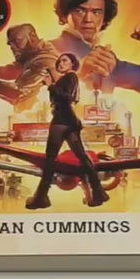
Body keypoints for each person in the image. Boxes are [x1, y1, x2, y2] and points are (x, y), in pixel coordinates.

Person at [50, 0, 140, 95]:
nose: (88, 19)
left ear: (104, 19)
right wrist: (81, 73)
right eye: (79, 11)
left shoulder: (105, 58)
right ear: (64, 15)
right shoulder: (46, 50)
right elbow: (42, 97)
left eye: (96, 12)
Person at [26, 53, 111, 209]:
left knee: (50, 160)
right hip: (68, 121)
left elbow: (67, 98)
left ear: (73, 63)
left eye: (64, 60)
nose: (60, 63)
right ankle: (98, 192)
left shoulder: (71, 77)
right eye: (59, 61)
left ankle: (40, 198)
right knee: (82, 157)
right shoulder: (67, 79)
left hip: (61, 121)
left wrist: (51, 85)